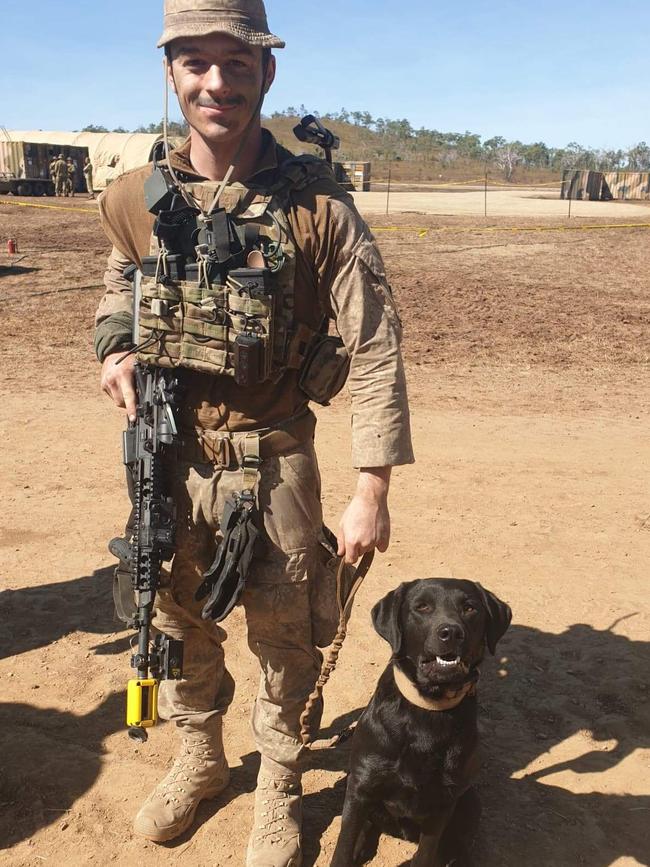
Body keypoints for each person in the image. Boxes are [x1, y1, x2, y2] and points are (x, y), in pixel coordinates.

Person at [94, 2, 413, 865]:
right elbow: (119, 285)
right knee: (174, 616)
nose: (216, 83)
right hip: (168, 453)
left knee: (285, 633)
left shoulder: (318, 209)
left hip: (275, 458)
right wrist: (115, 348)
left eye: (236, 64)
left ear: (266, 73)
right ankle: (199, 755)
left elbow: (377, 344)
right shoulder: (134, 197)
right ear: (171, 73)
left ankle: (277, 783)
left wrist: (370, 486)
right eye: (196, 63)